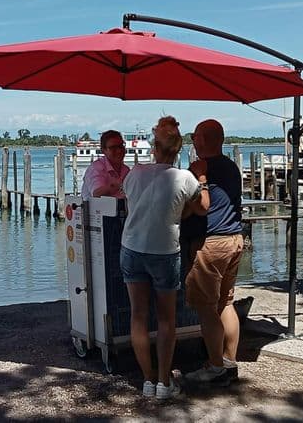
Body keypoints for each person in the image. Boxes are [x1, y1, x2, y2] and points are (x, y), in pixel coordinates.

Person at [120, 116, 209, 400]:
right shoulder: (185, 178)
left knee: (138, 316)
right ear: (178, 150)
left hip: (132, 248)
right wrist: (203, 181)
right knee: (166, 319)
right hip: (164, 251)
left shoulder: (134, 174)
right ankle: (163, 382)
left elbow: (135, 206)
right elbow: (202, 208)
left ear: (154, 147)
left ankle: (147, 380)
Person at [181, 119, 244, 387]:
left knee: (206, 308)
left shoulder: (201, 169)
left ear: (203, 140)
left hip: (212, 243)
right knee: (225, 302)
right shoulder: (231, 167)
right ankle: (228, 361)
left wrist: (197, 177)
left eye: (195, 137)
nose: (193, 141)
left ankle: (215, 366)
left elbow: (197, 206)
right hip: (235, 239)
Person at [80, 130, 130, 200]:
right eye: (113, 148)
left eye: (121, 146)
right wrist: (118, 185)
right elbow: (97, 193)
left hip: (119, 209)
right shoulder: (96, 168)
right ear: (103, 150)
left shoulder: (126, 170)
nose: (119, 151)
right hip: (94, 210)